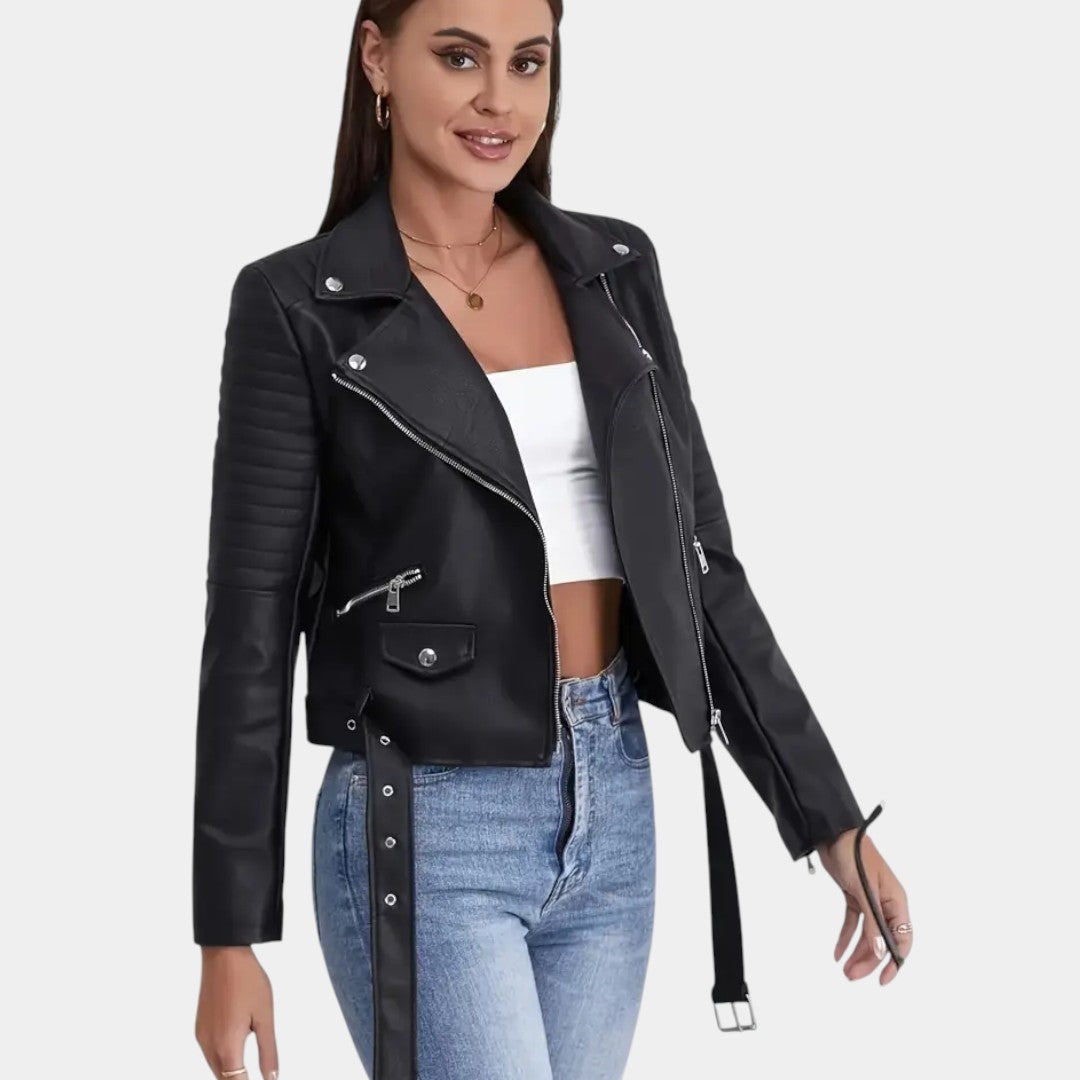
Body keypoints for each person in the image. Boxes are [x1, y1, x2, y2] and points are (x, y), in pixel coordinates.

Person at [192, 2, 913, 1078]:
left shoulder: (612, 270)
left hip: (615, 802)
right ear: (377, 57)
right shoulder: (299, 305)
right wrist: (229, 934)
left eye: (528, 62)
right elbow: (251, 626)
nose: (499, 99)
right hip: (423, 815)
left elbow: (700, 566)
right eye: (458, 57)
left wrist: (827, 816)